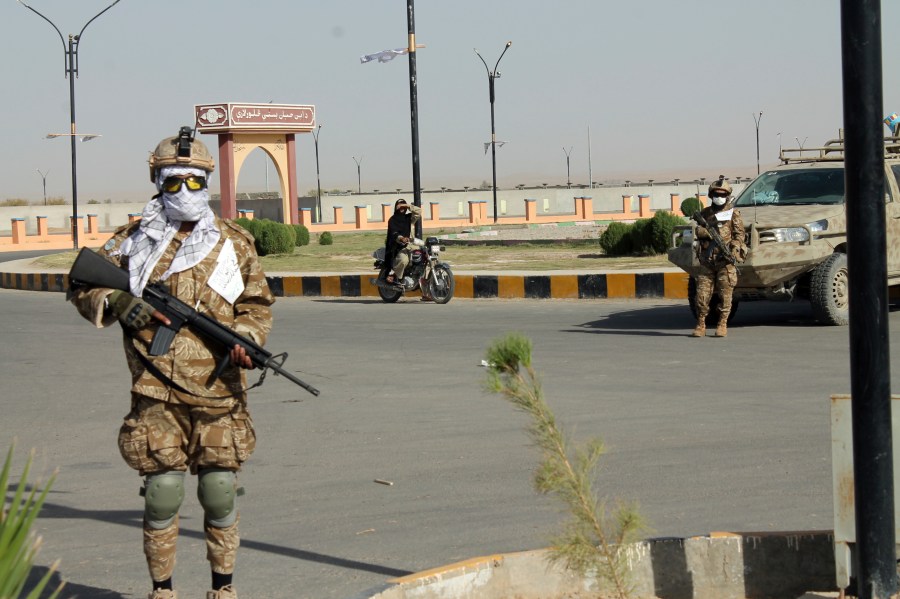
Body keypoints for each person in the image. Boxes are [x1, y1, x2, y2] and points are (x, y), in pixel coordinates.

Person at [69, 127, 275, 599]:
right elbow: (81, 283)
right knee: (163, 495)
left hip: (219, 389)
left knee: (219, 490)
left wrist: (245, 339)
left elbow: (257, 305)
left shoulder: (232, 243)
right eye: (173, 181)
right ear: (157, 181)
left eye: (195, 181)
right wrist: (117, 302)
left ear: (208, 183)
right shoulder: (131, 242)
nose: (185, 191)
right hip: (155, 390)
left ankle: (223, 588)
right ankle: (162, 590)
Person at [692, 175, 746, 338]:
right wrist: (705, 232)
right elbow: (698, 230)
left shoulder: (733, 213)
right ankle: (701, 324)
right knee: (701, 296)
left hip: (725, 261)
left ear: (727, 196)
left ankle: (722, 324)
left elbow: (739, 234)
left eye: (723, 195)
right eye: (716, 194)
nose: (719, 197)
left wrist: (735, 247)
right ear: (711, 195)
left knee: (725, 295)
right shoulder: (705, 213)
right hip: (707, 261)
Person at [384, 198, 421, 288]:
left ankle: (426, 291)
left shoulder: (409, 218)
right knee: (404, 260)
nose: (402, 208)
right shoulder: (392, 220)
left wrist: (407, 205)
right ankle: (395, 276)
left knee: (425, 259)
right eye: (399, 206)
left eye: (403, 206)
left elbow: (419, 211)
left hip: (412, 245)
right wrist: (401, 238)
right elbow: (394, 233)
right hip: (398, 246)